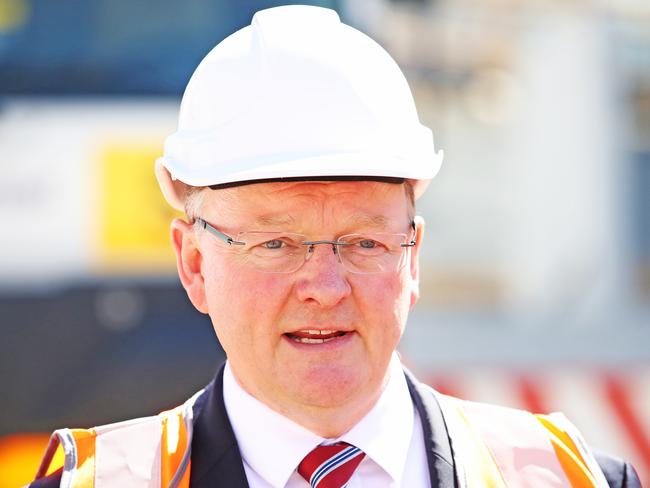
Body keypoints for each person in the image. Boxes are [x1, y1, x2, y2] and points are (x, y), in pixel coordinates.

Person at [31, 5, 640, 487]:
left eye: (364, 242)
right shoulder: (96, 482)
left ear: (413, 256)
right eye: (275, 243)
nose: (325, 286)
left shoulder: (570, 479)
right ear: (194, 264)